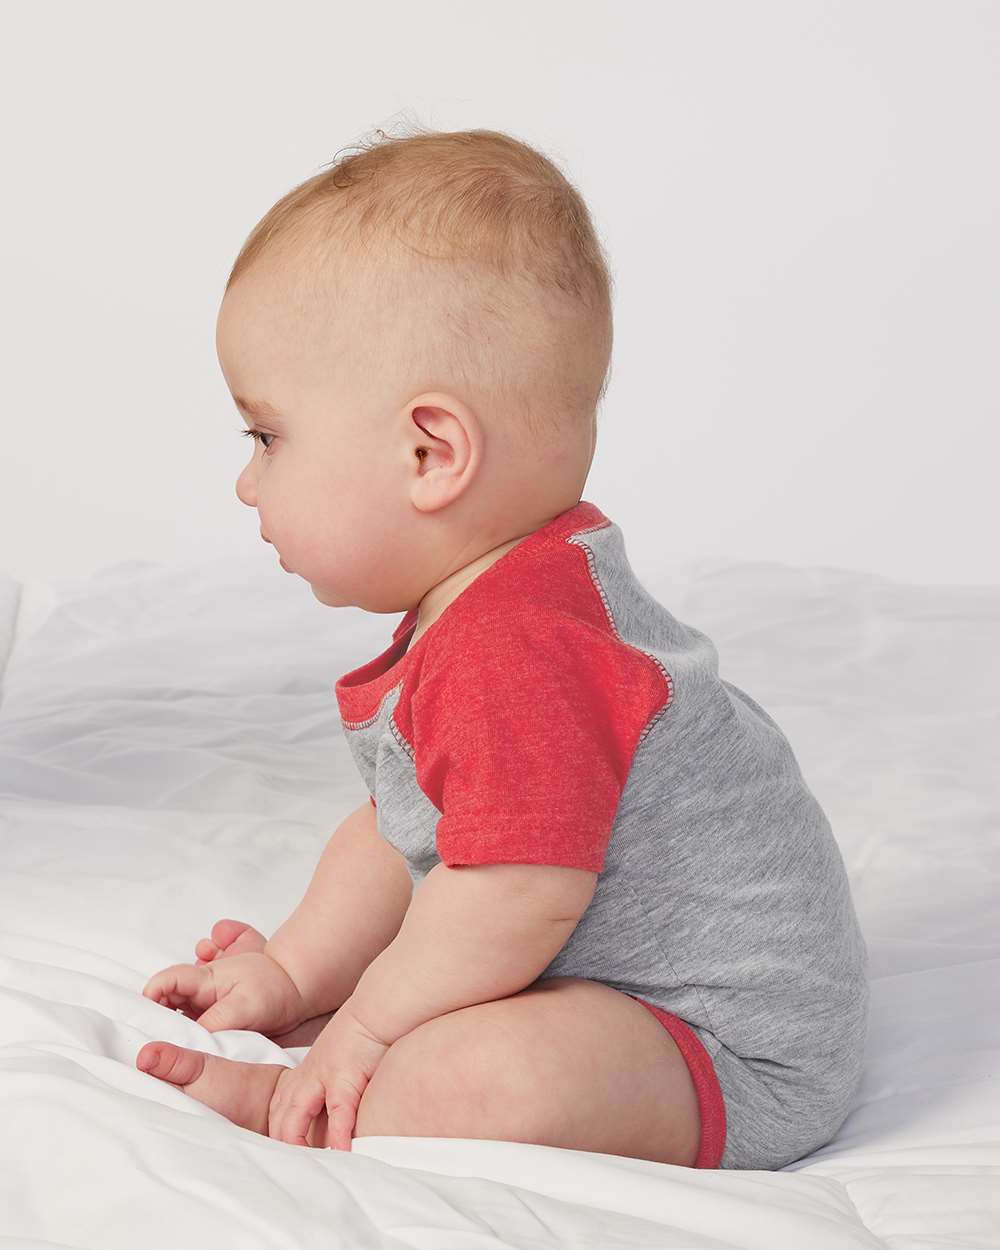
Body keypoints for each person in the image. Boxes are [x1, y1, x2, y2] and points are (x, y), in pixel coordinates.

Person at [135, 126, 869, 1171]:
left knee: (497, 1076)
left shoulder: (519, 646)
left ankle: (290, 1106)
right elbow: (407, 832)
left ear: (429, 452)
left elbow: (510, 889)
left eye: (267, 437)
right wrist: (298, 973)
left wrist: (364, 1028)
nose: (247, 483)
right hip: (615, 987)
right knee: (416, 877)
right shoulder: (499, 599)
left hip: (722, 1045)